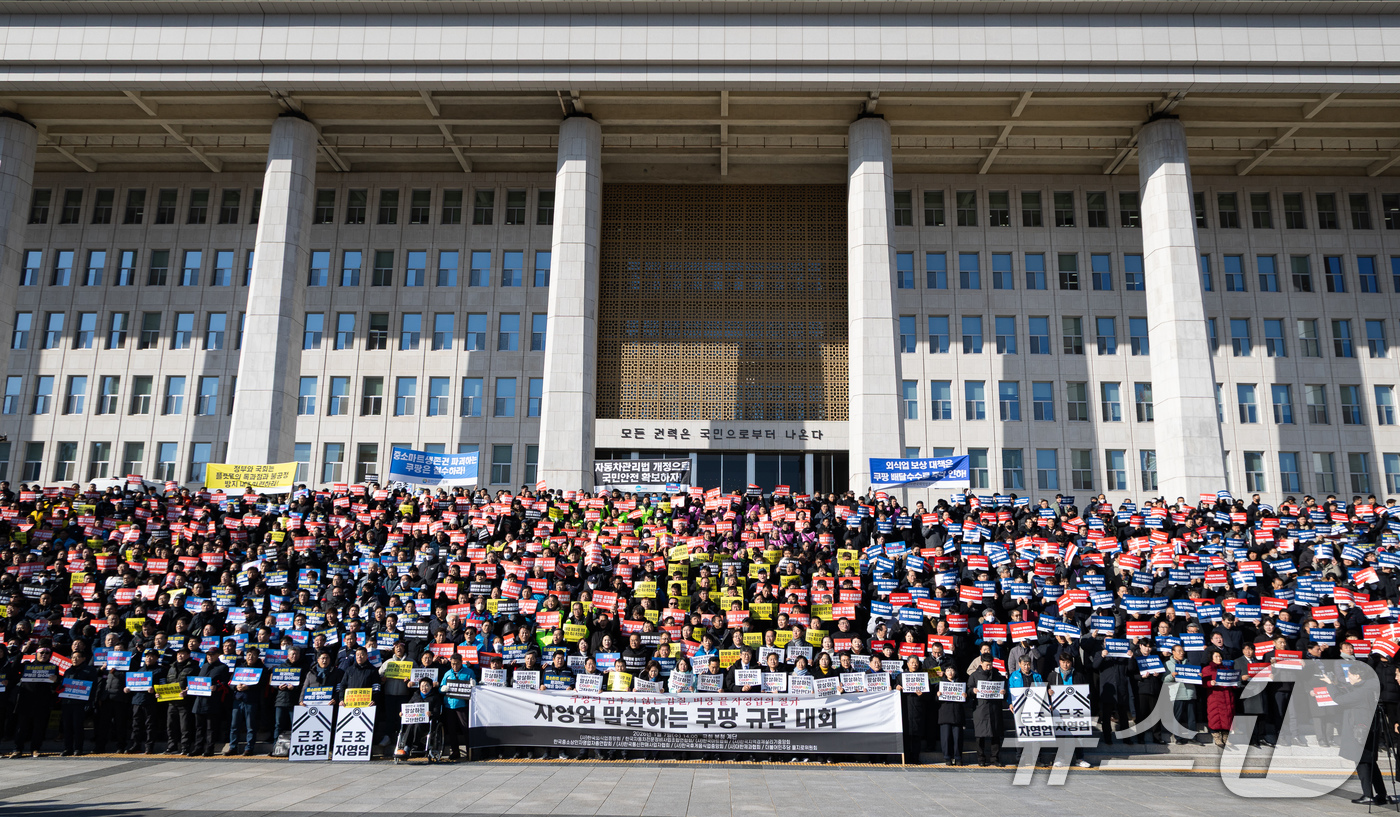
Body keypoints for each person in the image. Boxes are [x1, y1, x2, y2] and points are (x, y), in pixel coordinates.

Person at [12, 644, 58, 757]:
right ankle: (17, 749)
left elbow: (55, 686)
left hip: (42, 702)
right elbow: (14, 667)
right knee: (21, 727)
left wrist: (56, 680)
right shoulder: (27, 665)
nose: (44, 655)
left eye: (47, 653)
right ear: (36, 654)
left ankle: (35, 749)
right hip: (26, 701)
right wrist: (21, 653)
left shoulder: (53, 667)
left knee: (39, 727)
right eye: (41, 652)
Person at [58, 649, 100, 756]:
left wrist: (90, 702)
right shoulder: (68, 671)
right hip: (67, 702)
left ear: (83, 658)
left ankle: (78, 748)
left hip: (80, 703)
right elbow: (63, 686)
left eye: (77, 657)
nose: (74, 659)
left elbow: (93, 687)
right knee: (67, 726)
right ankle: (68, 748)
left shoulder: (89, 671)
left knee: (78, 726)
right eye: (73, 657)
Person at [226, 646, 267, 755]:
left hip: (251, 700)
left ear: (257, 656)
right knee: (234, 726)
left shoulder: (262, 669)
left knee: (250, 726)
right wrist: (236, 687)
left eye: (253, 655)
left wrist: (249, 687)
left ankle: (249, 748)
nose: (250, 657)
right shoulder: (239, 667)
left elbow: (262, 684)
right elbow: (230, 683)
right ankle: (232, 747)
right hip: (238, 699)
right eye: (249, 654)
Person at [968, 653, 1005, 767]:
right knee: (980, 735)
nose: (988, 667)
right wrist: (972, 691)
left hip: (994, 708)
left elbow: (1003, 686)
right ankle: (981, 758)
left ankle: (995, 758)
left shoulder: (997, 674)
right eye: (986, 665)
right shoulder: (974, 675)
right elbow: (968, 689)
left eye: (990, 665)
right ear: (981, 663)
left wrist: (1003, 691)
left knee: (996, 734)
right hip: (980, 708)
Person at [441, 652, 476, 761]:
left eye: (457, 664)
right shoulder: (447, 674)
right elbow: (441, 687)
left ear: (461, 662)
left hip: (462, 705)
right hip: (449, 705)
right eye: (452, 664)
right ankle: (455, 751)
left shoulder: (469, 672)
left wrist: (473, 685)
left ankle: (469, 751)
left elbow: (474, 689)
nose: (454, 666)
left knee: (465, 728)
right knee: (451, 730)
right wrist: (442, 689)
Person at [1200, 648, 1236, 747]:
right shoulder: (1207, 669)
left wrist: (1235, 682)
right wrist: (1209, 683)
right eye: (1216, 656)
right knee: (1215, 716)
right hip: (1215, 696)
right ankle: (1216, 736)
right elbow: (1202, 682)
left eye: (1220, 656)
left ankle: (1225, 736)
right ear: (1211, 658)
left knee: (1227, 716)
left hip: (1227, 696)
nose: (1219, 658)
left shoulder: (1226, 669)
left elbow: (1232, 682)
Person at [898, 655, 929, 764]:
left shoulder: (923, 677)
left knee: (916, 735)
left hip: (918, 709)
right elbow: (895, 689)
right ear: (907, 664)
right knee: (906, 736)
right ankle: (906, 758)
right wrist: (897, 688)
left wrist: (922, 695)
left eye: (916, 662)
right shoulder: (901, 676)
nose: (914, 664)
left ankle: (915, 758)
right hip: (905, 708)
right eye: (912, 662)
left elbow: (929, 695)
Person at [936, 665, 965, 766]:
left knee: (957, 738)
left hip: (957, 715)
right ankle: (947, 757)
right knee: (946, 738)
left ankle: (958, 757)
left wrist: (965, 696)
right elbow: (934, 700)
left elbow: (966, 700)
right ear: (945, 672)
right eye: (948, 670)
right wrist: (937, 695)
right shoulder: (940, 684)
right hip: (945, 714)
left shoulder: (960, 684)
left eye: (952, 670)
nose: (950, 672)